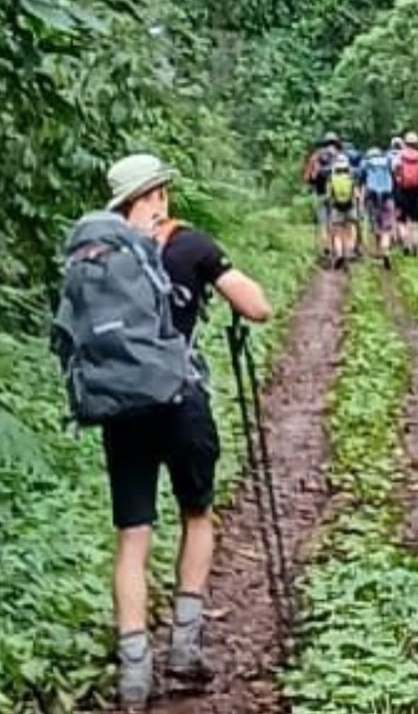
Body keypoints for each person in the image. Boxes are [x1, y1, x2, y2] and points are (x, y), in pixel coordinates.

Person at [101, 153, 272, 708]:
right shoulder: (189, 243)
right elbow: (257, 306)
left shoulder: (100, 253)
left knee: (132, 537)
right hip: (181, 402)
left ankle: (132, 674)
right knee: (197, 514)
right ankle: (184, 648)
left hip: (122, 409)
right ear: (159, 195)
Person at [392, 129, 418, 255]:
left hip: (402, 191)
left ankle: (405, 243)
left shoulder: (399, 157)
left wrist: (399, 181)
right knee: (415, 221)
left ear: (405, 142)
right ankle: (415, 245)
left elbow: (394, 172)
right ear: (417, 143)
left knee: (401, 220)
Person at [304, 132, 340, 264]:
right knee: (334, 223)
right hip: (336, 196)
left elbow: (308, 178)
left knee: (323, 224)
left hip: (320, 194)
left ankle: (326, 249)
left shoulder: (316, 155)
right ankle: (336, 250)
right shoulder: (339, 156)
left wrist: (312, 185)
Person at [360, 144, 397, 268]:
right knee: (386, 227)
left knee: (375, 224)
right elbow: (395, 179)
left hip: (372, 198)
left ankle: (378, 250)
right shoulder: (388, 162)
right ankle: (386, 251)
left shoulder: (366, 164)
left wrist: (361, 201)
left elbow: (362, 184)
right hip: (387, 197)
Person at [323, 148, 359, 270]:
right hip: (350, 207)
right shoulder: (352, 176)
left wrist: (329, 202)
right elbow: (356, 195)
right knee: (349, 231)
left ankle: (339, 254)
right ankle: (348, 254)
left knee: (337, 233)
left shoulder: (331, 178)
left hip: (336, 207)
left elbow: (328, 196)